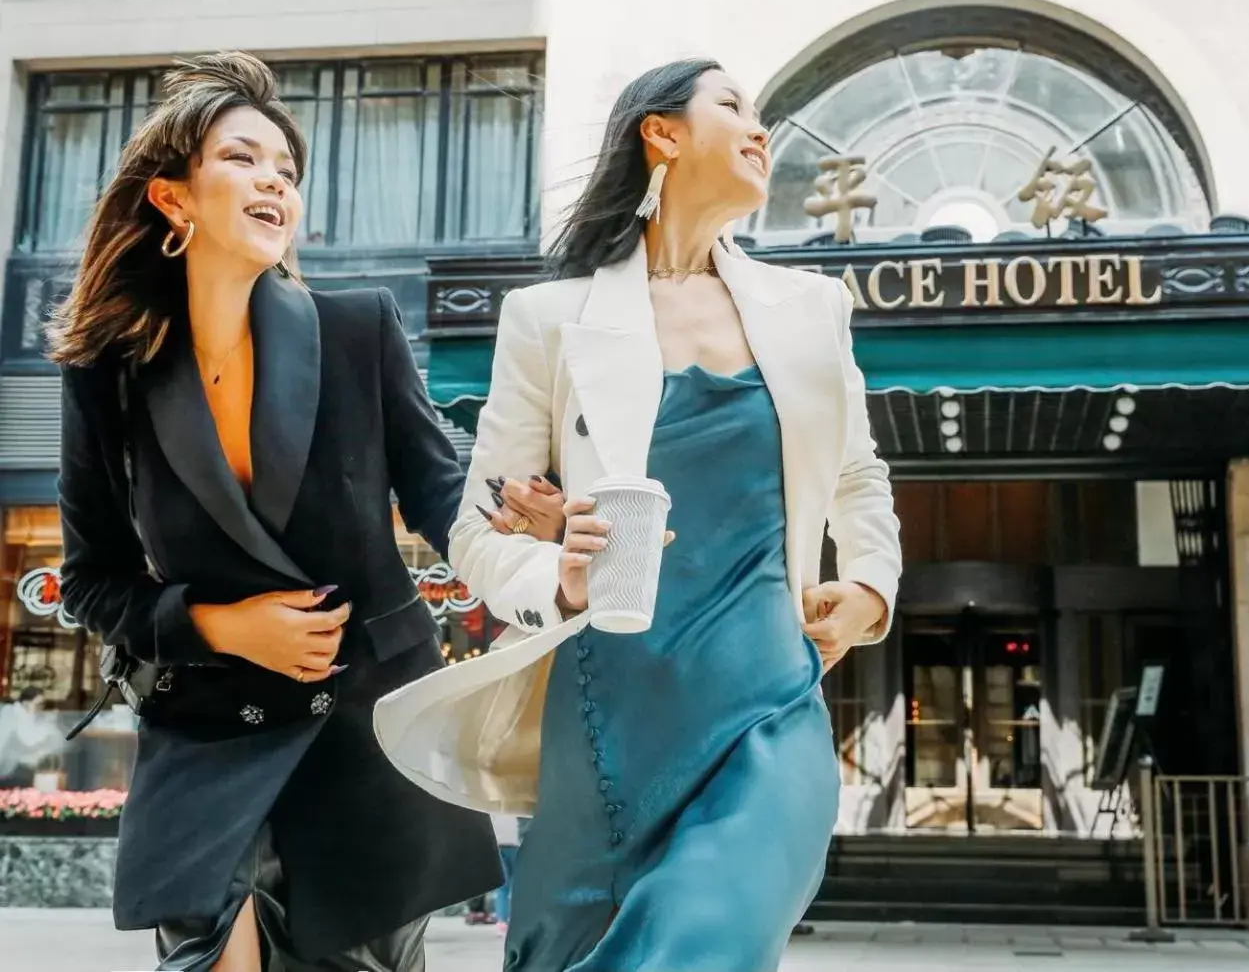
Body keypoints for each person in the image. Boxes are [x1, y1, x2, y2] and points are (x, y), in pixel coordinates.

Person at [382, 57, 903, 972]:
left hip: (769, 702)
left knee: (708, 934)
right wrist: (559, 572)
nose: (759, 128)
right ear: (660, 133)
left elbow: (858, 473)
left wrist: (866, 586)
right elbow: (477, 529)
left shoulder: (812, 307)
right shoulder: (550, 316)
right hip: (608, 713)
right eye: (733, 106)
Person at [49, 51, 527, 972]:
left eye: (287, 170)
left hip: (366, 731)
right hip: (211, 732)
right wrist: (220, 625)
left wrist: (533, 551)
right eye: (242, 158)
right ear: (173, 199)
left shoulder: (359, 330)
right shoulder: (107, 375)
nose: (274, 179)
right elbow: (91, 579)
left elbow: (446, 504)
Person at [0, 688, 64, 788]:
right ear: (26, 703)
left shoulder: (33, 717)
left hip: (26, 768)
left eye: (43, 704)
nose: (41, 708)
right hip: (12, 769)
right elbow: (28, 741)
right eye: (38, 704)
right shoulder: (13, 715)